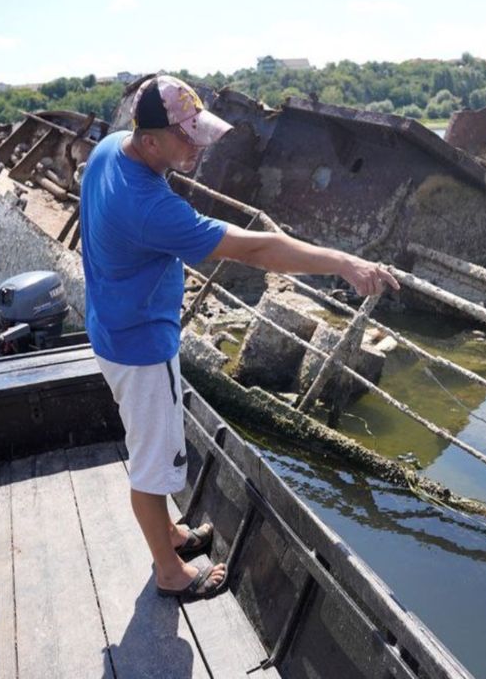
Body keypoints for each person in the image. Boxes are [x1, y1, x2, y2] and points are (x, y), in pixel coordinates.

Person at [80, 75, 398, 599]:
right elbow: (256, 249)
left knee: (152, 445)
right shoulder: (150, 209)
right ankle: (168, 570)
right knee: (153, 464)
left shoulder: (113, 148)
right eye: (187, 136)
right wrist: (343, 262)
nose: (198, 145)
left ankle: (172, 534)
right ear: (152, 138)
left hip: (113, 324)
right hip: (139, 346)